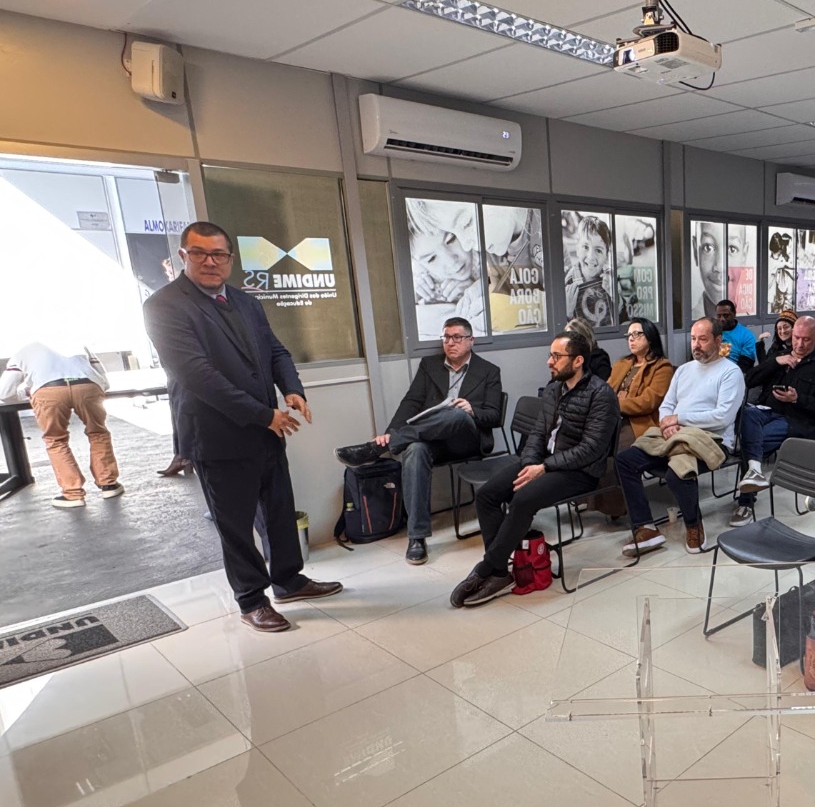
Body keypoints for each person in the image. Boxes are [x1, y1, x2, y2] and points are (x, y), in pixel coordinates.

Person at [143, 221, 341, 632]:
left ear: (231, 259)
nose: (211, 262)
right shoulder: (163, 306)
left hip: (267, 428)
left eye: (219, 254)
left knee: (279, 508)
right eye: (200, 253)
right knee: (234, 523)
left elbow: (275, 350)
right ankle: (252, 599)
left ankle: (289, 579)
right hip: (216, 434)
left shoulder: (246, 301)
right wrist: (263, 414)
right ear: (183, 256)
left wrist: (291, 387)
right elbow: (197, 375)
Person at [449, 332, 621, 607]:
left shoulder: (602, 394)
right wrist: (530, 463)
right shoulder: (554, 388)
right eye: (550, 355)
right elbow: (537, 434)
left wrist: (543, 467)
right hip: (542, 463)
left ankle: (486, 569)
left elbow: (592, 449)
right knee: (488, 495)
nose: (549, 361)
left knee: (522, 500)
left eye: (556, 356)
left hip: (580, 471)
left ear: (578, 361)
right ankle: (499, 571)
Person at [334, 317, 503, 565]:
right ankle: (417, 537)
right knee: (414, 449)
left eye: (457, 337)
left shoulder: (489, 371)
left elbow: (495, 416)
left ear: (470, 340)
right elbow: (411, 401)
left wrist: (472, 410)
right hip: (432, 438)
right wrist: (391, 431)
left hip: (467, 438)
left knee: (455, 413)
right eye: (446, 337)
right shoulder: (430, 365)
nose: (450, 343)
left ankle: (377, 449)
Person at [617, 318, 745, 558]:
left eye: (703, 339)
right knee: (626, 460)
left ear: (718, 341)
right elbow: (667, 406)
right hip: (676, 434)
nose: (696, 345)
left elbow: (723, 417)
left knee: (677, 472)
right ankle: (645, 527)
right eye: (693, 339)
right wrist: (668, 424)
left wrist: (678, 419)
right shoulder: (684, 370)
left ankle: (694, 525)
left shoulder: (731, 372)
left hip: (712, 441)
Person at [733, 316, 815, 525]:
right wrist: (774, 362)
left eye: (806, 340)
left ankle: (745, 502)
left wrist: (797, 399)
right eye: (797, 338)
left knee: (752, 441)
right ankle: (754, 470)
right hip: (766, 412)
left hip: (797, 420)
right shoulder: (780, 356)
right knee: (747, 414)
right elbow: (749, 379)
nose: (799, 344)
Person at [0, 341, 121, 508]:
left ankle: (73, 494)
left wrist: (27, 392)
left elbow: (4, 393)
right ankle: (109, 485)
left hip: (49, 390)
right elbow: (104, 382)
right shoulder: (81, 346)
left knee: (56, 440)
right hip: (87, 385)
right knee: (98, 433)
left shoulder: (24, 351)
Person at [591, 317, 675, 518]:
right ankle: (595, 500)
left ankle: (617, 507)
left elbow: (648, 401)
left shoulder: (662, 367)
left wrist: (618, 403)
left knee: (618, 451)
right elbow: (606, 391)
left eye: (637, 334)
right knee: (593, 444)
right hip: (615, 418)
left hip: (642, 424)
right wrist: (615, 402)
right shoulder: (623, 363)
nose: (632, 339)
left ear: (650, 337)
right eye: (629, 335)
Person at [715, 299, 757, 373]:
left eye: (726, 315)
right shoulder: (711, 332)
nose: (722, 319)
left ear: (734, 314)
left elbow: (745, 367)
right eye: (719, 316)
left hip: (734, 375)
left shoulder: (747, 336)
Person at [564, 317, 611, 381]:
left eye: (573, 338)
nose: (569, 342)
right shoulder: (568, 357)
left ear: (584, 338)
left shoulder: (599, 359)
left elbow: (601, 386)